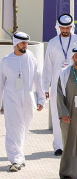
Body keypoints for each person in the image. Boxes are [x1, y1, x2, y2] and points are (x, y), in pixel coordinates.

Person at [0, 32, 45, 172]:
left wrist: (41, 99)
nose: (25, 46)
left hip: (28, 100)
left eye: (26, 43)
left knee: (24, 129)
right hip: (11, 100)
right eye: (23, 43)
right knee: (12, 129)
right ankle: (15, 159)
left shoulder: (31, 59)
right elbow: (0, 82)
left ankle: (20, 157)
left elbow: (38, 80)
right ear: (15, 44)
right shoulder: (6, 60)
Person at [46, 14, 75, 156]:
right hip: (57, 85)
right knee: (57, 113)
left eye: (67, 28)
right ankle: (59, 146)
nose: (65, 30)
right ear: (59, 27)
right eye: (62, 28)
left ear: (71, 27)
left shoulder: (76, 41)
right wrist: (45, 86)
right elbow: (47, 66)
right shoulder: (52, 43)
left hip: (73, 83)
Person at [58, 47, 77, 177]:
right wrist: (63, 113)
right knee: (69, 144)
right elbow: (59, 94)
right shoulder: (65, 73)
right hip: (70, 113)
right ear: (73, 57)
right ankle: (67, 173)